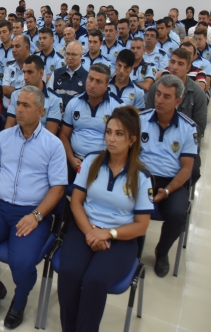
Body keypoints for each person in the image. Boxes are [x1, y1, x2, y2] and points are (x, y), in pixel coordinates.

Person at [0, 85, 67, 330]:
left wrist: (37, 215)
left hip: (32, 212)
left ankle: (19, 303)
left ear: (40, 111)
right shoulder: (4, 137)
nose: (18, 109)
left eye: (25, 105)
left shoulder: (53, 145)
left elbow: (58, 188)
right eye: (17, 103)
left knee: (22, 263)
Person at [58, 107, 153, 332]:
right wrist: (91, 232)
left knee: (94, 281)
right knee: (69, 273)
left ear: (132, 140)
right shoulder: (91, 161)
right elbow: (76, 203)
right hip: (85, 228)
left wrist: (108, 233)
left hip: (120, 238)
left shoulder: (141, 176)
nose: (111, 138)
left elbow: (141, 226)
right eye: (109, 132)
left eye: (119, 134)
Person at [139, 75, 198, 277]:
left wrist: (167, 190)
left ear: (178, 101)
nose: (159, 100)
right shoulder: (141, 120)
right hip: (143, 176)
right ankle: (133, 248)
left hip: (172, 181)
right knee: (128, 202)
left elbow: (186, 169)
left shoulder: (188, 128)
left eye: (166, 96)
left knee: (178, 214)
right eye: (158, 94)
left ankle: (162, 251)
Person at [146, 49, 207, 190]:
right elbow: (147, 116)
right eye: (172, 62)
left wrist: (176, 137)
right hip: (155, 138)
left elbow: (199, 127)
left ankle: (179, 191)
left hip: (184, 143)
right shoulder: (156, 87)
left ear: (188, 67)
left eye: (180, 64)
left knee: (193, 170)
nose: (174, 67)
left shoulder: (197, 94)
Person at [60, 63, 125, 182]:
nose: (92, 85)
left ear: (107, 85)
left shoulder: (118, 108)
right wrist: (71, 159)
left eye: (99, 82)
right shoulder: (74, 103)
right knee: (58, 183)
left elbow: (121, 142)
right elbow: (64, 135)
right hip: (74, 159)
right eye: (90, 79)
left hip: (103, 163)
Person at [6, 56, 62, 135]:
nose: (25, 77)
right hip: (18, 138)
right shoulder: (15, 95)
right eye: (24, 72)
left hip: (42, 141)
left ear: (41, 73)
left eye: (30, 72)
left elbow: (50, 135)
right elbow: (9, 126)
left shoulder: (54, 100)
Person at [48, 41, 88, 108]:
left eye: (73, 54)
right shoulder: (56, 74)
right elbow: (49, 96)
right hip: (57, 112)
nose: (69, 58)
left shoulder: (87, 77)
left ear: (81, 56)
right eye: (67, 54)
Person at [2, 35, 32, 106]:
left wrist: (12, 91)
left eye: (17, 46)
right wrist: (24, 93)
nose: (13, 50)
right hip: (7, 109)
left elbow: (32, 94)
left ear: (27, 48)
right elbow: (5, 90)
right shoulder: (9, 64)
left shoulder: (35, 65)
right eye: (13, 46)